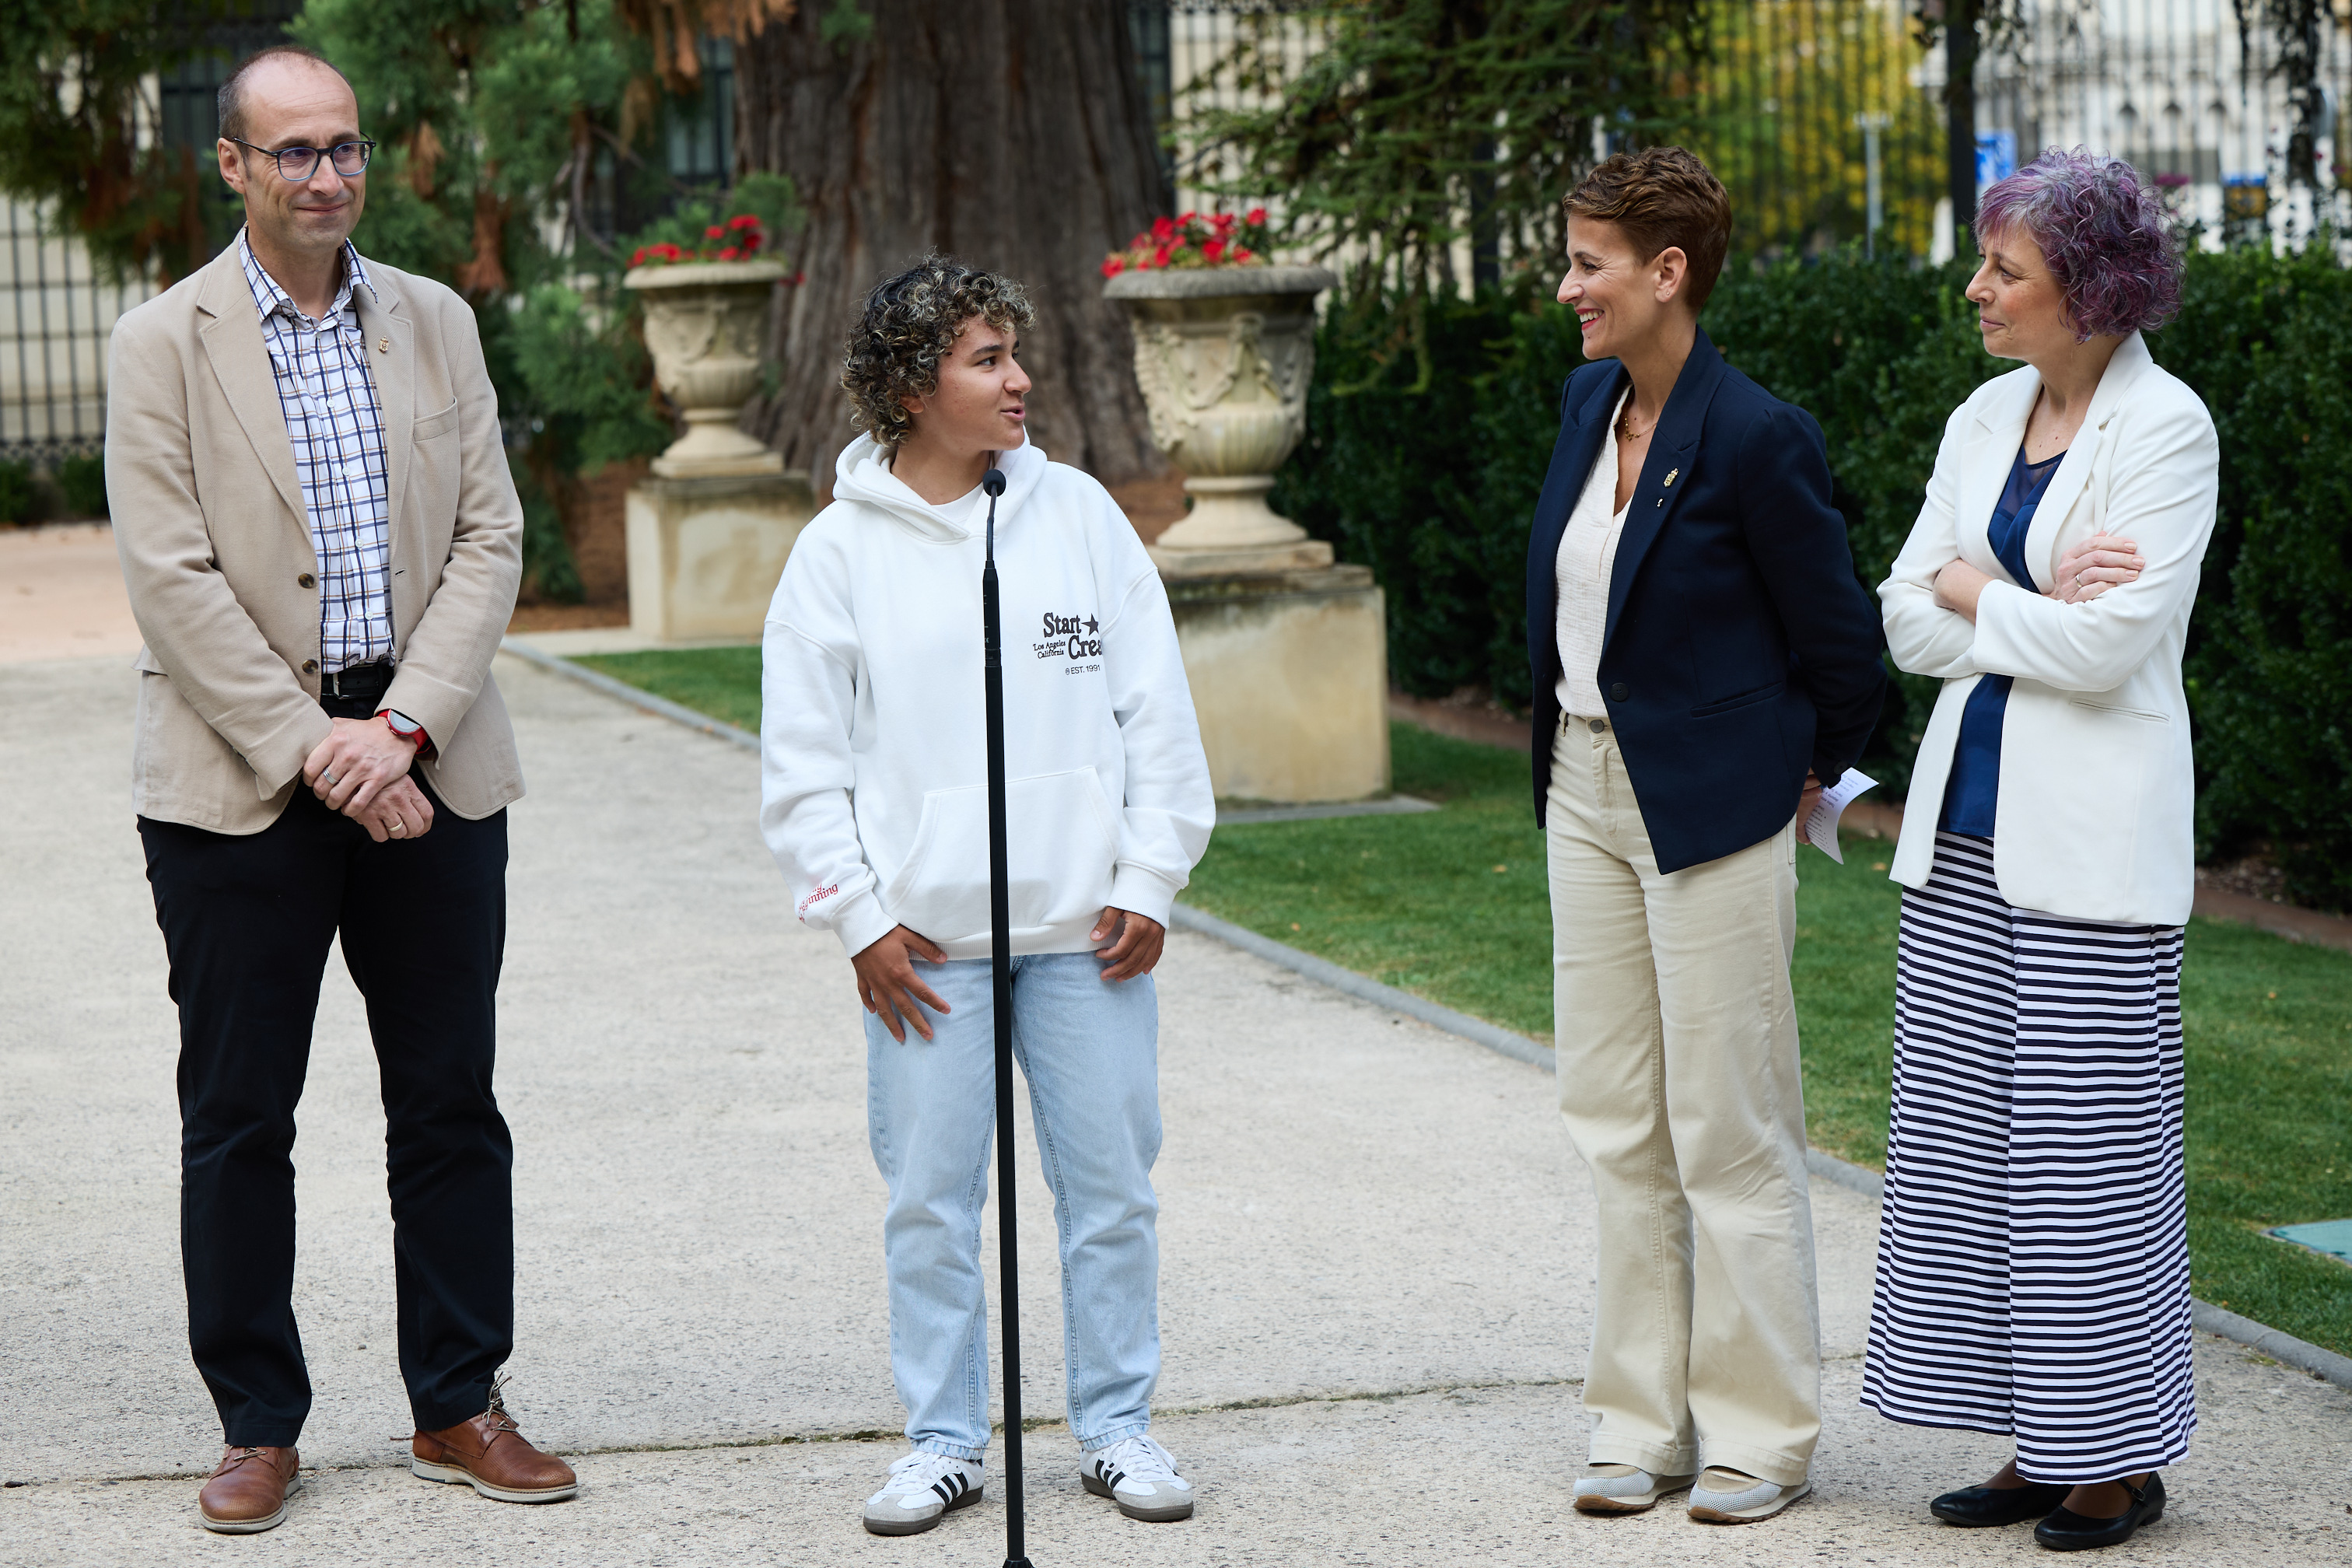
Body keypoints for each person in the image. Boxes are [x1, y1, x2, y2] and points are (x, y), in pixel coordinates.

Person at [107, 44, 576, 1535]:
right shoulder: (159, 342)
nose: (327, 175)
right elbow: (170, 581)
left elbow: (490, 541)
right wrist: (320, 747)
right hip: (241, 780)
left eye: (346, 149)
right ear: (233, 167)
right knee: (238, 1114)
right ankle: (257, 1422)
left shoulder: (436, 322)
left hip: (434, 762)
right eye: (293, 152)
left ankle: (459, 1400)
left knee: (449, 1100)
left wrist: (407, 731)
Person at [760, 255, 1215, 1538]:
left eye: (1016, 353)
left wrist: (1149, 875)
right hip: (925, 946)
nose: (1022, 380)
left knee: (1114, 1188)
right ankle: (945, 1440)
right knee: (930, 1200)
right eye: (987, 359)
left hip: (1088, 934)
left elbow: (1156, 716)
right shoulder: (835, 556)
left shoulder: (1077, 519)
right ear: (912, 387)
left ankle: (1117, 1426)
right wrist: (857, 917)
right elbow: (803, 770)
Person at [1523, 147, 1888, 1525]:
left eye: (1590, 263)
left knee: (1728, 1129)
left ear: (1668, 273)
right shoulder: (1583, 404)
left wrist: (1791, 776)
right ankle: (1638, 1423)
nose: (1570, 288)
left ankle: (1758, 1437)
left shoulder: (1756, 434)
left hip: (1715, 816)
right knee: (1615, 1123)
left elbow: (1845, 652)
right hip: (1582, 797)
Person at [1864, 149, 2214, 1553]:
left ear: (2095, 288)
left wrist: (1971, 585)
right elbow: (1901, 615)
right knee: (1976, 1156)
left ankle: (2114, 1461)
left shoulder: (2166, 429)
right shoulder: (1980, 415)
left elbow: (2114, 641)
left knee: (2090, 1161)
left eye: (2006, 270)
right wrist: (2005, 588)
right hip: (1963, 835)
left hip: (2090, 845)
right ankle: (2034, 1439)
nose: (1979, 289)